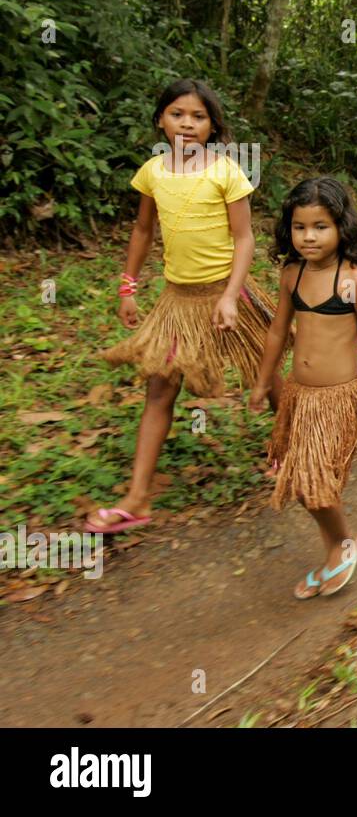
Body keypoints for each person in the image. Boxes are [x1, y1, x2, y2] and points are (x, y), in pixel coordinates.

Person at [94, 79, 279, 534]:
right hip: (178, 301)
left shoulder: (227, 172)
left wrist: (232, 296)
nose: (187, 124)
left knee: (266, 372)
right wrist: (127, 286)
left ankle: (291, 447)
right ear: (161, 119)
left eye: (198, 117)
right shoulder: (152, 173)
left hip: (228, 293)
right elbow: (142, 231)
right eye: (177, 114)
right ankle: (137, 499)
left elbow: (244, 239)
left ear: (213, 126)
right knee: (158, 391)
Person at [249, 177, 357, 599]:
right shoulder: (291, 274)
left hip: (338, 397)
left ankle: (344, 545)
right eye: (299, 226)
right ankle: (335, 551)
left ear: (341, 227)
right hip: (299, 396)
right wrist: (261, 382)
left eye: (320, 226)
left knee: (315, 483)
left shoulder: (355, 281)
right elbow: (277, 332)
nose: (308, 236)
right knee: (302, 483)